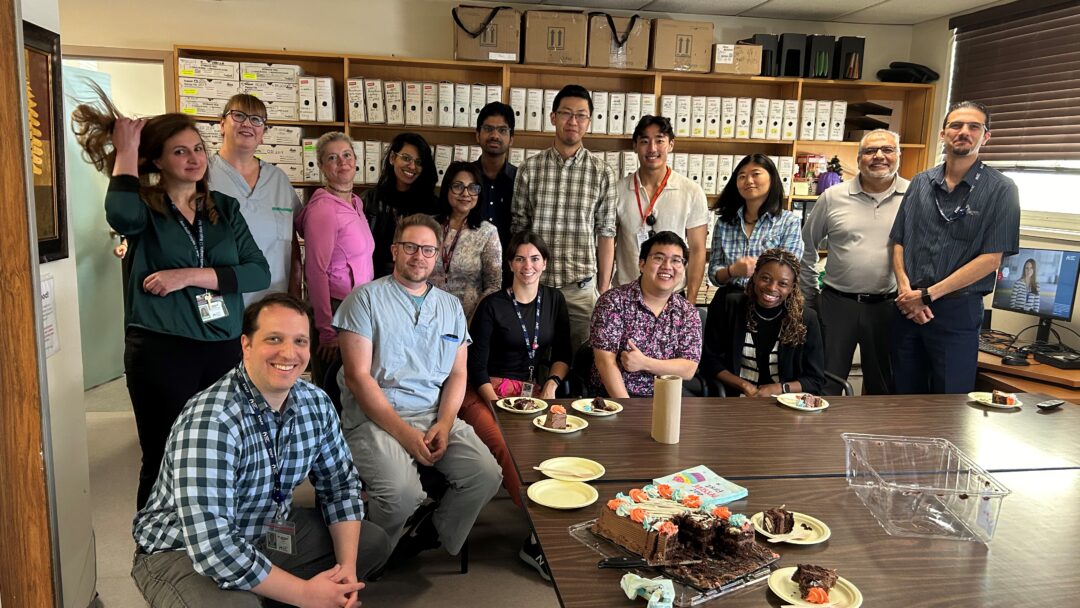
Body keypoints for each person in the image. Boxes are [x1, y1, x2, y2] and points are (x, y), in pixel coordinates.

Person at [72, 92, 270, 509]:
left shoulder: (224, 209)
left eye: (198, 148)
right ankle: (156, 548)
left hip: (222, 347)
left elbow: (258, 272)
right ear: (158, 161)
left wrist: (188, 277)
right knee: (165, 453)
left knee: (218, 451)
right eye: (179, 151)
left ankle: (215, 534)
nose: (194, 158)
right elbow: (121, 216)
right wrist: (126, 151)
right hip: (162, 349)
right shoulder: (145, 208)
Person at [131, 294, 391, 606]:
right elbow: (213, 546)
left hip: (264, 531)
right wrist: (305, 594)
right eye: (274, 339)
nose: (288, 352)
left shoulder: (316, 402)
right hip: (182, 549)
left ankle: (269, 588)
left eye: (299, 341)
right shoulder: (212, 419)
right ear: (246, 345)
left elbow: (340, 488)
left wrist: (345, 572)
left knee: (369, 543)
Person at [334, 213, 502, 564]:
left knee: (486, 474)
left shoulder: (450, 306)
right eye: (410, 247)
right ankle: (370, 557)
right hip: (375, 417)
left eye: (428, 249)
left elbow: (458, 374)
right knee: (401, 494)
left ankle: (431, 532)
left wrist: (444, 423)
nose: (418, 256)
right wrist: (407, 435)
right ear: (394, 250)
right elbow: (358, 378)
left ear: (438, 255)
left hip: (433, 413)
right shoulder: (364, 300)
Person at [462, 230, 572, 579]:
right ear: (509, 264)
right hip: (485, 392)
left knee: (555, 445)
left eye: (535, 259)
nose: (528, 266)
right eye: (520, 259)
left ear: (545, 264)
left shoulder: (554, 300)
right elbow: (475, 367)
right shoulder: (492, 305)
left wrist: (551, 385)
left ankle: (550, 522)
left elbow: (564, 354)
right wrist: (495, 404)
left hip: (531, 393)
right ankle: (539, 538)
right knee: (507, 445)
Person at [890, 101, 1020, 394]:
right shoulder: (921, 182)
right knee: (901, 399)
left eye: (974, 127)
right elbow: (898, 240)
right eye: (956, 125)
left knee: (951, 401)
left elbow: (991, 259)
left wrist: (928, 295)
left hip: (955, 311)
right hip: (907, 307)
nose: (964, 132)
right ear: (943, 134)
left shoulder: (1002, 189)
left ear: (985, 136)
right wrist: (906, 291)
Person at [799, 129, 909, 395]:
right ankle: (822, 438)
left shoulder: (915, 195)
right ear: (859, 159)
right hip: (838, 304)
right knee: (826, 383)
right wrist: (810, 295)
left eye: (887, 150)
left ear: (898, 156)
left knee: (882, 385)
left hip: (888, 305)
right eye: (870, 151)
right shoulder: (833, 196)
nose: (879, 156)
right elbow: (806, 247)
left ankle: (873, 437)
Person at [512, 84, 618, 352]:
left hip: (580, 289)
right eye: (566, 113)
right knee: (534, 360)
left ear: (589, 122)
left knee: (580, 360)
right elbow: (519, 229)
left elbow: (606, 234)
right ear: (553, 117)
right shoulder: (529, 169)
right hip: (535, 284)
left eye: (581, 115)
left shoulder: (602, 172)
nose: (573, 121)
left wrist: (603, 290)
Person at [294, 131, 374, 388]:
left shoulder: (355, 203)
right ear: (321, 166)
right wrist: (327, 331)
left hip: (357, 307)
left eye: (347, 155)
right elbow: (315, 273)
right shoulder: (323, 210)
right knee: (334, 388)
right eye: (332, 158)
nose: (343, 162)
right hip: (335, 309)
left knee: (355, 387)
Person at [209, 94, 302, 305]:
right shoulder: (202, 175)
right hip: (222, 299)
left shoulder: (278, 179)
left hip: (273, 300)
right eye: (239, 115)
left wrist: (295, 292)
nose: (247, 124)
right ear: (222, 125)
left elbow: (292, 242)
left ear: (263, 134)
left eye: (256, 120)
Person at [700, 248, 825, 397]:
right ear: (755, 276)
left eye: (783, 284)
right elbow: (710, 361)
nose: (772, 288)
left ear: (792, 288)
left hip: (786, 403)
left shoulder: (806, 319)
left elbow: (815, 379)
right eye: (765, 278)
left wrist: (778, 389)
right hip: (735, 400)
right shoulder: (730, 306)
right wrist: (743, 385)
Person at [590, 231, 702, 398]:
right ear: (642, 264)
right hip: (614, 398)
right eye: (658, 258)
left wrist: (645, 363)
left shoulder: (687, 311)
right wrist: (627, 408)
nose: (667, 266)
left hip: (666, 397)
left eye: (676, 260)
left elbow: (688, 369)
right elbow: (605, 361)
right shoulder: (613, 301)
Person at [614, 116, 710, 303]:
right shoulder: (617, 191)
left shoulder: (691, 191)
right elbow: (608, 244)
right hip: (626, 295)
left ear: (671, 144)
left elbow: (698, 250)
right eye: (644, 141)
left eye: (659, 140)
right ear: (635, 146)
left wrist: (689, 302)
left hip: (673, 296)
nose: (652, 149)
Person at [708, 154, 803, 291]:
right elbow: (713, 274)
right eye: (742, 176)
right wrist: (732, 270)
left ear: (772, 178)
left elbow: (789, 271)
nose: (748, 181)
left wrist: (760, 270)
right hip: (729, 300)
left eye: (756, 174)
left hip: (769, 299)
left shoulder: (788, 222)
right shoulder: (724, 223)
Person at [430, 161, 502, 318]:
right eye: (458, 186)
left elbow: (493, 286)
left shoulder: (487, 232)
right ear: (447, 189)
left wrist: (474, 321)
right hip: (427, 313)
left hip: (467, 319)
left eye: (473, 188)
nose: (465, 193)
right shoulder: (429, 226)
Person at [362, 132, 439, 279]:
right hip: (375, 279)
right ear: (392, 158)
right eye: (406, 158)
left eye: (419, 162)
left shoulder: (432, 204)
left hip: (415, 280)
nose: (412, 166)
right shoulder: (370, 199)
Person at [473, 101, 517, 271]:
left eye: (502, 130)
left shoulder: (521, 179)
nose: (495, 135)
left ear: (511, 138)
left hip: (510, 269)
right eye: (488, 129)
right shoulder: (465, 178)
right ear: (477, 135)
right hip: (470, 268)